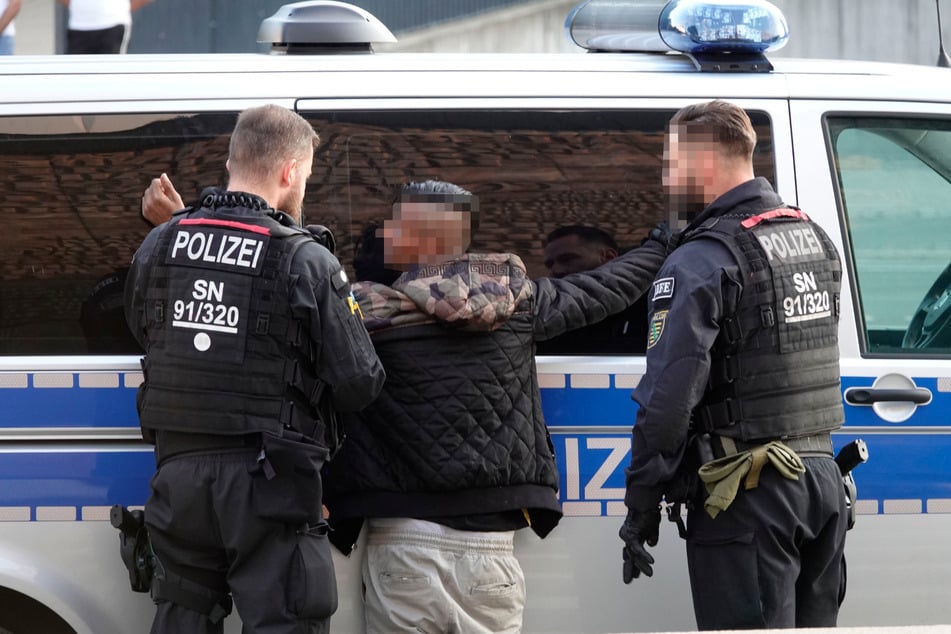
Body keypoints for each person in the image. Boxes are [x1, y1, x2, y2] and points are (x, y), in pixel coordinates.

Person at [142, 177, 669, 634]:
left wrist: (189, 225)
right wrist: (663, 242)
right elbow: (610, 286)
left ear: (423, 235)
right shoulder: (522, 303)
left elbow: (273, 270)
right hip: (494, 550)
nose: (382, 233)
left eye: (394, 224)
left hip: (402, 544)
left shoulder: (363, 313)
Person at [124, 104, 385, 634]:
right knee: (289, 618)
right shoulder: (305, 259)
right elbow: (360, 382)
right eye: (307, 174)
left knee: (181, 616)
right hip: (269, 481)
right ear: (291, 170)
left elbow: (144, 329)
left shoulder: (159, 242)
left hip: (178, 474)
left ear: (230, 160)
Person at [619, 100, 848, 630]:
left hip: (749, 493)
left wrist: (642, 499)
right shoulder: (814, 238)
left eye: (670, 164)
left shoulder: (704, 257)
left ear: (702, 164)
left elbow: (669, 398)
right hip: (822, 483)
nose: (665, 178)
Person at [537, 224, 648, 354]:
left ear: (608, 257)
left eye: (567, 259)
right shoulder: (548, 317)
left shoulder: (653, 303)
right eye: (550, 265)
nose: (556, 270)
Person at [58, 0, 152, 54]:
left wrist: (122, 10)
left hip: (113, 26)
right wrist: (76, 6)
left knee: (111, 76)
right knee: (74, 76)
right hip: (79, 26)